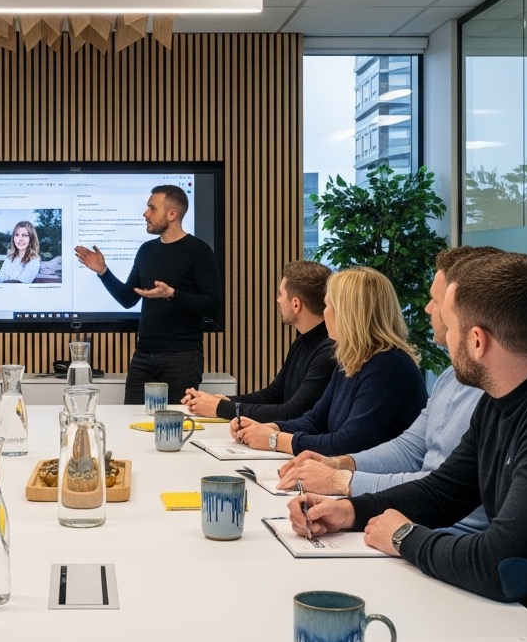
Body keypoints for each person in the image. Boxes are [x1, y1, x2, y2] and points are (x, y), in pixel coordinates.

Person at [289, 252, 527, 642]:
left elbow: (505, 566)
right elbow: (445, 491)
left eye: (449, 326)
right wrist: (352, 510)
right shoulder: (502, 396)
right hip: (518, 624)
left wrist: (403, 536)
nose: (442, 335)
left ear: (476, 340)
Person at [276, 246, 501, 536]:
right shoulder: (450, 376)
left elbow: (437, 486)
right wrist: (341, 464)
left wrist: (342, 481)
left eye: (435, 301)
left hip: (440, 530)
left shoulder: (391, 366)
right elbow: (410, 448)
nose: (428, 309)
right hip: (420, 520)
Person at [231, 266, 426, 456]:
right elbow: (316, 420)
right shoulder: (352, 359)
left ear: (349, 313)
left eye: (328, 305)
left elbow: (347, 443)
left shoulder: (388, 367)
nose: (324, 313)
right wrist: (267, 428)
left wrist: (274, 439)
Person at [74, 185, 222, 405]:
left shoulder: (198, 251)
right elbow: (128, 298)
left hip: (182, 357)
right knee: (130, 422)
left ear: (172, 214)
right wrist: (104, 272)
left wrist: (172, 294)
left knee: (174, 425)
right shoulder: (146, 251)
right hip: (143, 356)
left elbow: (213, 305)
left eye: (152, 208)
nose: (145, 214)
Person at [181, 261, 333, 421]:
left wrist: (220, 408)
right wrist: (221, 401)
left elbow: (292, 411)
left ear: (296, 304)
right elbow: (273, 395)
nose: (278, 300)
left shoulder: (327, 351)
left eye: (281, 294)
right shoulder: (303, 342)